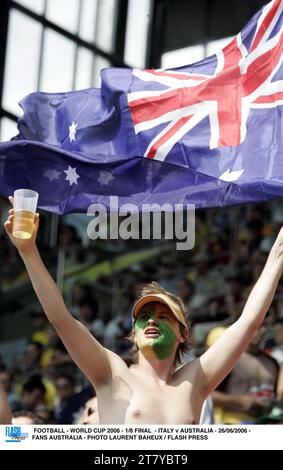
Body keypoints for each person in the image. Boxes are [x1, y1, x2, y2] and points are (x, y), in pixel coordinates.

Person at [4, 197, 283, 424]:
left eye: (163, 317)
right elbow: (61, 319)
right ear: (133, 335)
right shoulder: (111, 372)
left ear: (183, 334)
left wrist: (278, 253)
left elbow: (247, 322)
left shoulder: (196, 380)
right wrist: (28, 251)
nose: (151, 321)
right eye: (144, 317)